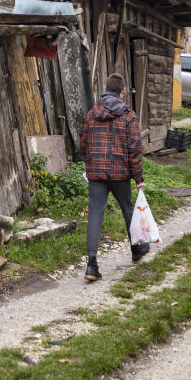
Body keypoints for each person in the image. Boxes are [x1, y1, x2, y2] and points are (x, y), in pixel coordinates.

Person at [80, 73, 149, 282]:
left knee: (95, 214)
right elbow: (134, 149)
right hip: (120, 173)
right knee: (128, 209)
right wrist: (138, 178)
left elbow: (83, 143)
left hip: (96, 174)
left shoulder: (92, 114)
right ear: (123, 92)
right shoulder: (128, 115)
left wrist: (92, 162)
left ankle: (92, 265)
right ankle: (136, 251)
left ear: (104, 88)